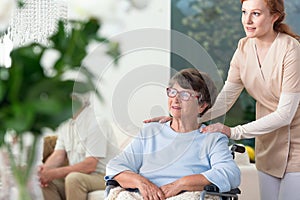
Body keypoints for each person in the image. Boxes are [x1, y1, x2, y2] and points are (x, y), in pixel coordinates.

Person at [146, 0, 300, 199]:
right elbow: (227, 97)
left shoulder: (291, 49)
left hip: (296, 139)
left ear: (275, 16)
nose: (248, 20)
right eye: (244, 12)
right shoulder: (244, 48)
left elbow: (286, 114)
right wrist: (184, 118)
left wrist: (233, 131)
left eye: (256, 14)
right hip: (268, 142)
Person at [105, 68, 240, 200]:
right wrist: (142, 183)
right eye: (172, 92)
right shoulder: (150, 132)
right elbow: (116, 166)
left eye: (185, 95)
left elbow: (230, 173)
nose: (175, 99)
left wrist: (180, 184)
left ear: (202, 105)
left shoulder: (212, 138)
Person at [38, 94, 119, 200]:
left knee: (73, 178)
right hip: (81, 175)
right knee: (43, 182)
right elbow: (58, 155)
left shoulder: (97, 122)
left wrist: (54, 173)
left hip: (105, 176)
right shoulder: (65, 125)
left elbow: (90, 165)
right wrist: (43, 172)